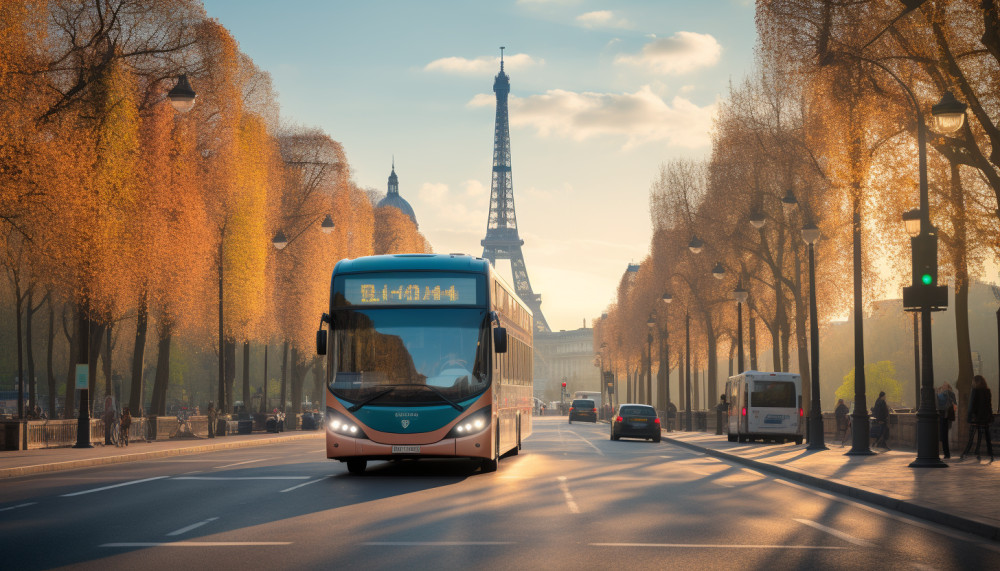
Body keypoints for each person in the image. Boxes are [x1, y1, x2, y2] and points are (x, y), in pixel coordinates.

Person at [960, 375, 994, 462]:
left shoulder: (975, 391)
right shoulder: (987, 391)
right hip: (984, 418)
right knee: (984, 436)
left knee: (971, 437)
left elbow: (971, 406)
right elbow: (988, 405)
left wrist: (970, 417)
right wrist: (989, 416)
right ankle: (988, 453)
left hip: (975, 417)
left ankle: (966, 452)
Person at [936, 383, 957, 458]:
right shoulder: (951, 394)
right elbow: (955, 405)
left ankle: (946, 453)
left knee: (943, 435)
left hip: (942, 416)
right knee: (944, 435)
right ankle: (946, 453)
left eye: (945, 386)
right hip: (948, 417)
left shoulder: (941, 395)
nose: (943, 387)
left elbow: (937, 405)